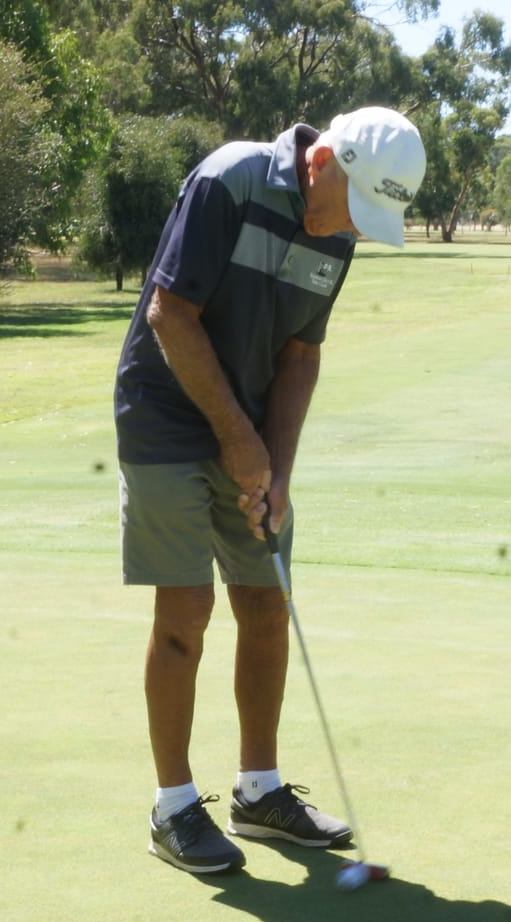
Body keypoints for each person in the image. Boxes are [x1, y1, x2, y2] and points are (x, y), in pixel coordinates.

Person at [113, 106, 426, 874]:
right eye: (357, 209)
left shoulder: (338, 234)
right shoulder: (231, 180)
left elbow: (300, 354)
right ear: (326, 162)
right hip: (166, 412)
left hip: (248, 425)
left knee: (265, 600)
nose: (353, 231)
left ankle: (259, 792)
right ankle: (174, 806)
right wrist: (238, 438)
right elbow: (170, 313)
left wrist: (277, 468)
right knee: (188, 606)